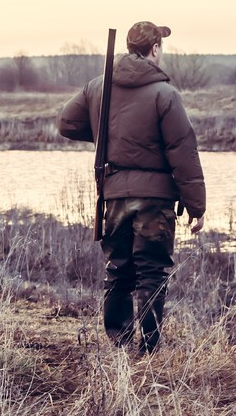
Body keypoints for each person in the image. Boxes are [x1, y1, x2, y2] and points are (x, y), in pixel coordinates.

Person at [58, 21, 206, 353]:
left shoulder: (98, 87)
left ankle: (120, 347)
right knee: (152, 271)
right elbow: (183, 153)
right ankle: (149, 348)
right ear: (155, 49)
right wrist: (196, 206)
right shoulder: (165, 94)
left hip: (114, 197)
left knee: (119, 271)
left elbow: (67, 123)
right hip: (155, 200)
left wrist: (107, 137)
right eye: (161, 47)